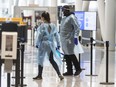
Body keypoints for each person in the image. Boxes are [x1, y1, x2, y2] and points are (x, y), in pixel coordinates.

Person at [33, 11, 64, 80]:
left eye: (41, 17)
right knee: (51, 59)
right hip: (51, 45)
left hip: (43, 44)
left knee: (40, 59)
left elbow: (40, 36)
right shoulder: (53, 25)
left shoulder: (42, 26)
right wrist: (58, 44)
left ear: (43, 17)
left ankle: (39, 75)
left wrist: (37, 44)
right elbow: (56, 35)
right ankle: (59, 74)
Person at [60, 5, 82, 76]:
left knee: (71, 54)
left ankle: (78, 68)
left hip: (69, 39)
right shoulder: (64, 18)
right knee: (66, 55)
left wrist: (76, 36)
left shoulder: (72, 17)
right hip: (64, 39)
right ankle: (69, 70)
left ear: (67, 10)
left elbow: (77, 27)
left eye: (63, 11)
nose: (63, 12)